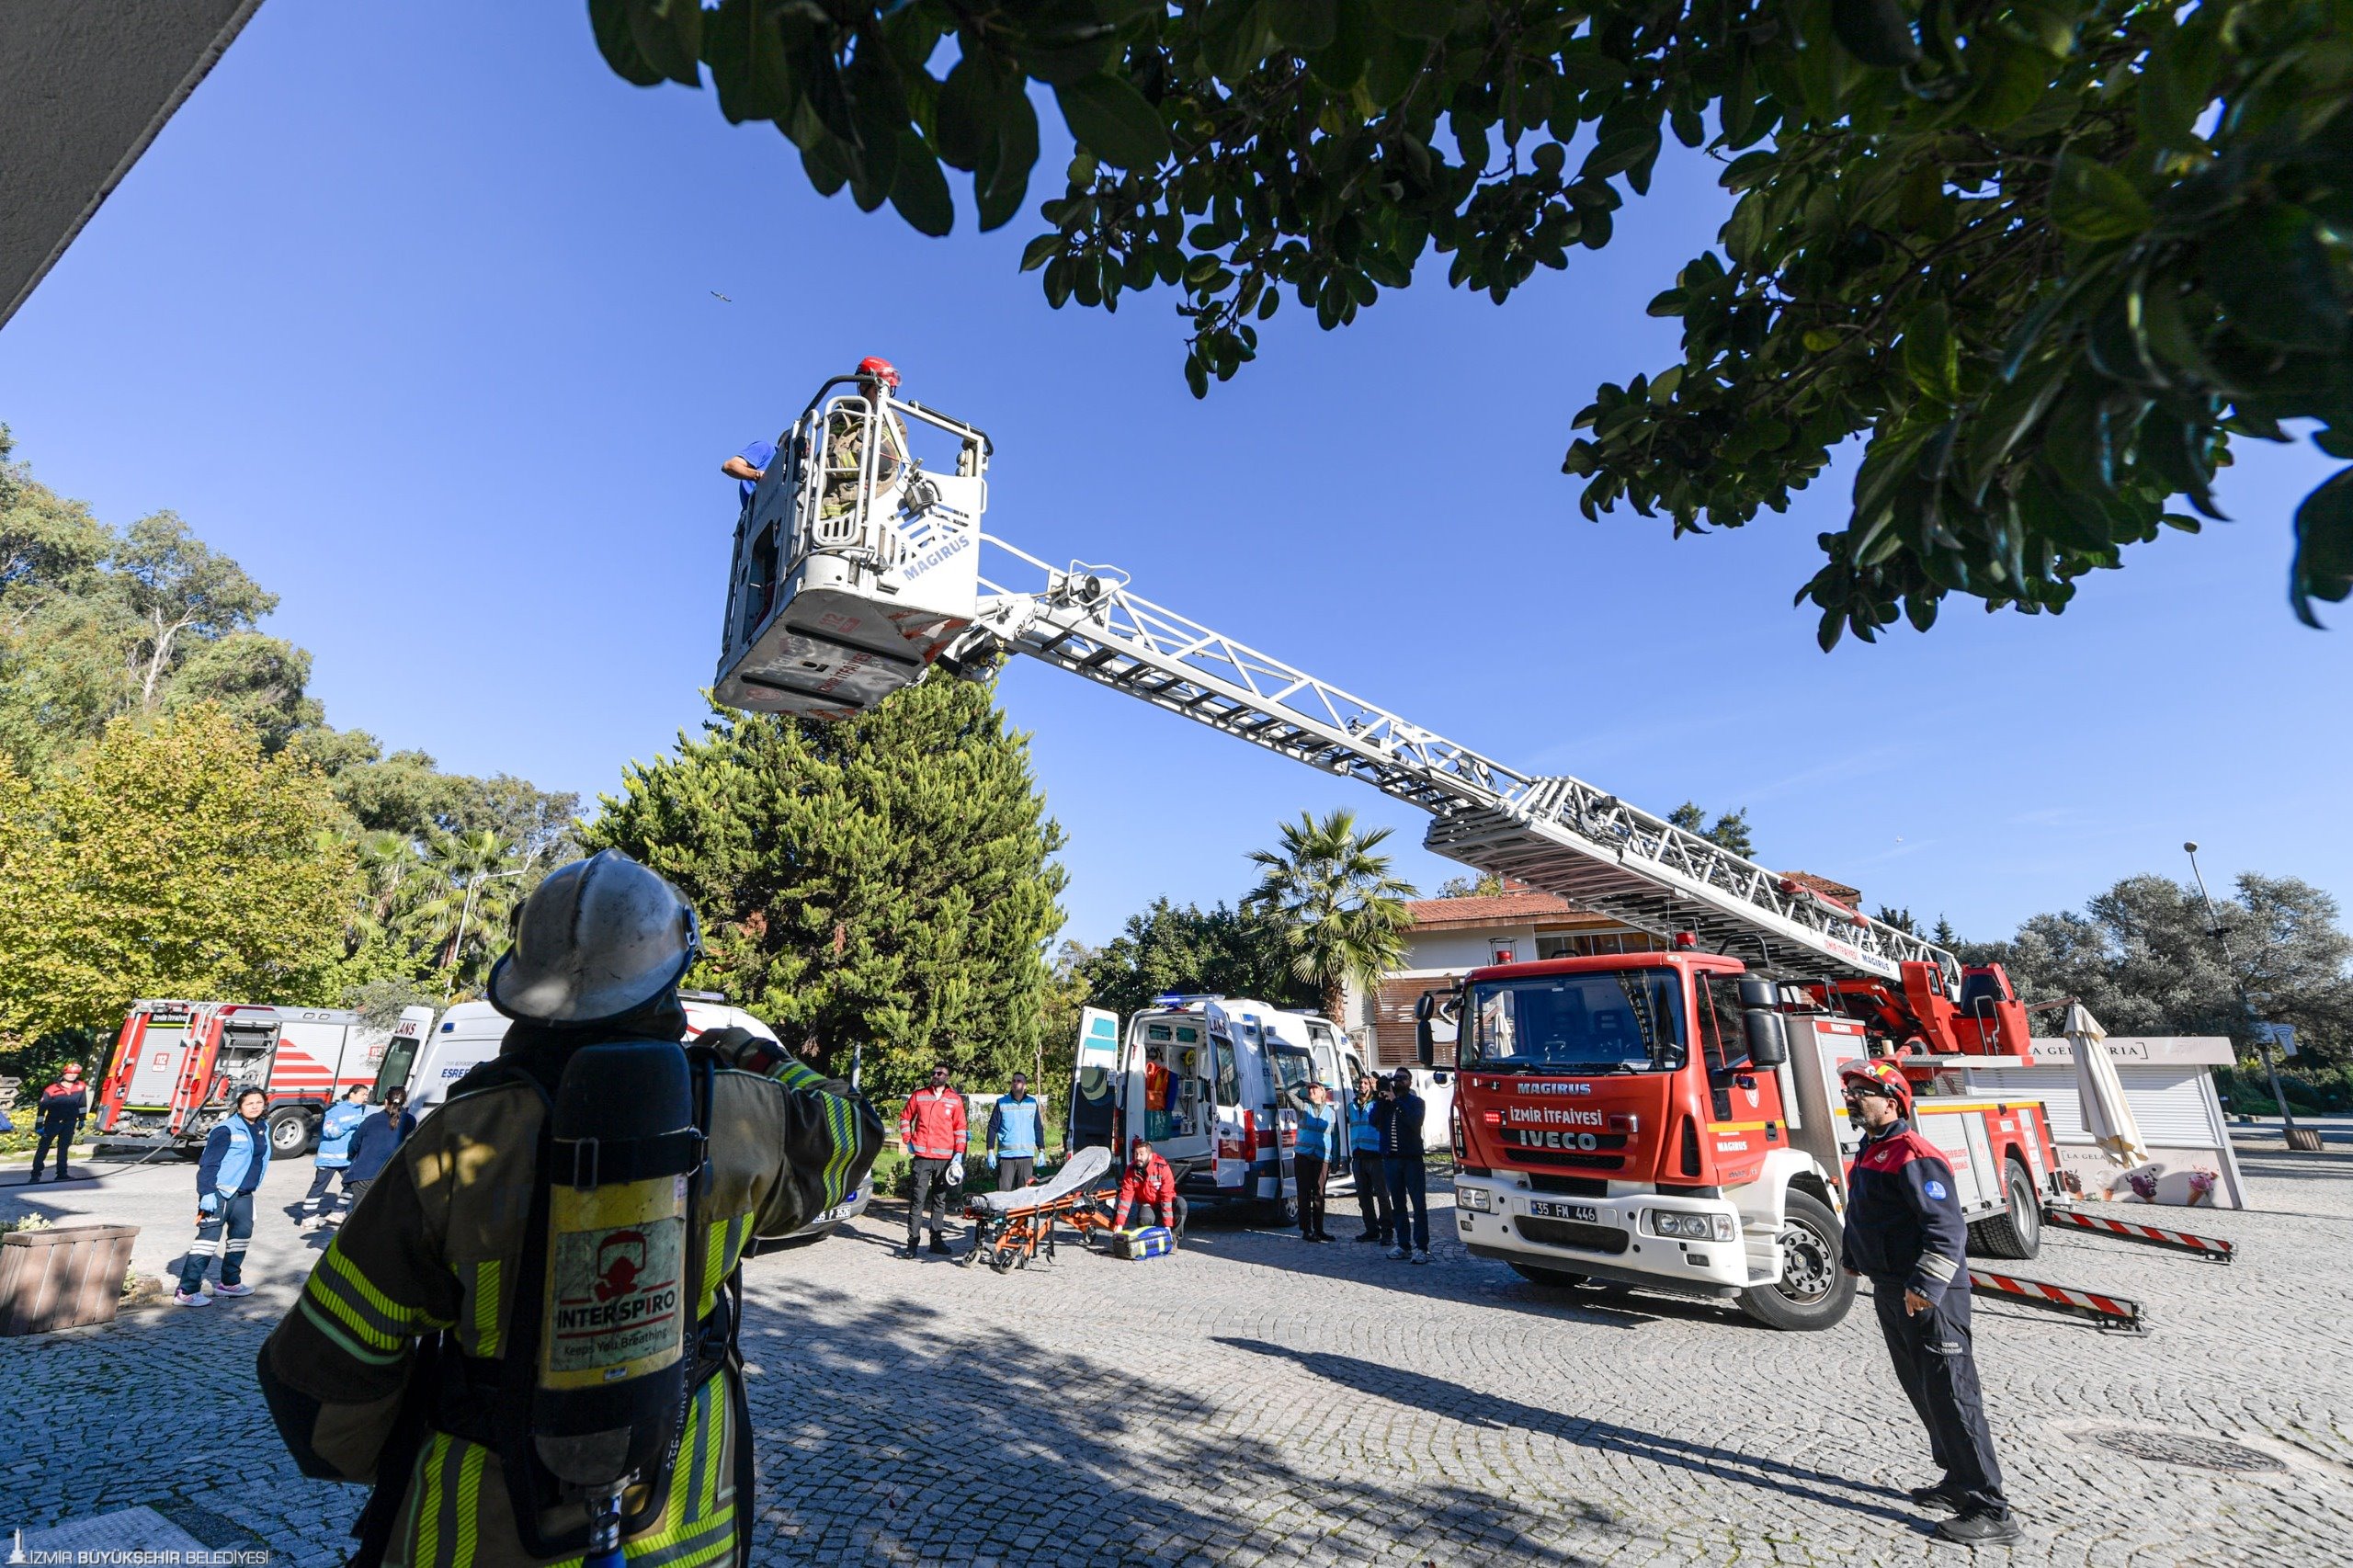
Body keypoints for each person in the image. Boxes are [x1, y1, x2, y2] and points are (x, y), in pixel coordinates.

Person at [256, 850, 882, 1568]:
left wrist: (399, 1445)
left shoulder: (462, 1139)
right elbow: (853, 1132)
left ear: (524, 987)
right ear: (671, 976)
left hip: (478, 1527)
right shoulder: (746, 1114)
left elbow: (324, 1363)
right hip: (683, 1526)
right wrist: (757, 1057)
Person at [1839, 1057, 2019, 1546]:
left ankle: (1991, 1509)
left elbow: (1946, 1229)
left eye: (1862, 1091)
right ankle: (1957, 1480)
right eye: (1850, 1090)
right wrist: (1851, 1253)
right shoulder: (1872, 1150)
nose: (1852, 1097)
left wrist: (1925, 1288)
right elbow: (1865, 1213)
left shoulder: (1912, 1152)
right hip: (1892, 1289)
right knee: (1923, 1388)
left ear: (1894, 1100)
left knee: (1953, 1395)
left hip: (1927, 1297)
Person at [176, 1087, 271, 1305]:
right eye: (249, 1103)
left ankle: (229, 1284)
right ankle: (187, 1291)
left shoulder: (262, 1128)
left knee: (240, 1238)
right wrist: (207, 1192)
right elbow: (209, 1164)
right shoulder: (225, 1129)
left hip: (245, 1193)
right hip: (220, 1192)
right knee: (207, 1242)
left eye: (259, 1102)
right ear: (239, 1106)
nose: (255, 1106)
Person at [899, 1061, 968, 1258]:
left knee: (939, 1200)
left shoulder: (954, 1100)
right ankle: (912, 1243)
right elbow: (905, 1118)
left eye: (940, 1073)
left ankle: (936, 1240)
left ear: (947, 1077)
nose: (936, 1076)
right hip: (922, 1157)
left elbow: (960, 1128)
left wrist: (958, 1153)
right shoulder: (919, 1096)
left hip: (945, 1159)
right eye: (934, 1073)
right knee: (917, 1200)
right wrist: (908, 1140)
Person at [1373, 1068, 1430, 1264]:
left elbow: (1415, 1122)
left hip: (1412, 1160)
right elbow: (1374, 1121)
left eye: (1402, 1078)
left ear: (1410, 1082)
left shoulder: (1416, 1103)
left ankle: (1421, 1247)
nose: (1398, 1081)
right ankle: (1403, 1244)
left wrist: (1396, 1101)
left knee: (1418, 1205)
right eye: (1396, 1078)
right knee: (1398, 1204)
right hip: (1391, 1160)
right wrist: (1381, 1099)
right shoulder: (1386, 1103)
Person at [297, 1085, 370, 1229]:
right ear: (352, 1095)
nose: (366, 1097)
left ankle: (338, 1211)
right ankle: (308, 1217)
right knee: (319, 1187)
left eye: (367, 1094)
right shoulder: (336, 1110)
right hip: (329, 1158)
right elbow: (329, 1131)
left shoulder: (360, 1111)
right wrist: (349, 1124)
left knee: (352, 1184)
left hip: (346, 1158)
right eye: (363, 1094)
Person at [339, 1085, 415, 1213]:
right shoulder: (410, 1121)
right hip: (392, 1176)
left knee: (361, 1216)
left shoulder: (371, 1119)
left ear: (386, 1101)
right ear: (405, 1102)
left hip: (365, 1175)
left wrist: (351, 1157)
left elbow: (354, 1143)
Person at [1290, 1082, 1340, 1243]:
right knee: (1303, 1194)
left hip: (1321, 1157)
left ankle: (1319, 1230)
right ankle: (1306, 1230)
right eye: (1309, 1088)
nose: (1311, 1090)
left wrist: (1335, 1159)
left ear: (1322, 1092)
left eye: (1315, 1088)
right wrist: (1301, 1084)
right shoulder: (1303, 1107)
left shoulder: (1331, 1112)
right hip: (1303, 1156)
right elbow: (1289, 1094)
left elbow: (1336, 1138)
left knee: (1319, 1194)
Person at [1111, 1136, 1185, 1242]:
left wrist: (1167, 1226)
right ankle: (1149, 1241)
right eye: (1136, 1154)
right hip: (1148, 1204)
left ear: (1150, 1156)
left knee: (1181, 1204)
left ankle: (1173, 1238)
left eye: (1142, 1154)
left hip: (1164, 1203)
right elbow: (1125, 1199)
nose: (1138, 1157)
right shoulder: (1131, 1170)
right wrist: (1119, 1224)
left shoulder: (1162, 1167)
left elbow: (1167, 1197)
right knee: (1144, 1220)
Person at [1347, 1071, 1391, 1244]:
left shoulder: (1376, 1104)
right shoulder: (1352, 1106)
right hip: (1358, 1156)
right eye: (1360, 1083)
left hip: (1376, 1155)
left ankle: (1387, 1231)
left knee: (1382, 1195)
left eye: (1366, 1083)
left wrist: (1377, 1089)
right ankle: (1371, 1229)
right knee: (1363, 1197)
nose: (1362, 1086)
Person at [29, 1062, 88, 1183]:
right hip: (53, 1123)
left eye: (75, 1074)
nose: (72, 1076)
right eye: (70, 1073)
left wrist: (82, 1119)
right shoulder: (51, 1089)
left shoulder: (81, 1087)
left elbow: (82, 1104)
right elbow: (42, 1109)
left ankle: (62, 1173)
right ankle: (35, 1175)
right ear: (64, 1073)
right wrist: (39, 1125)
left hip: (70, 1122)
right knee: (43, 1148)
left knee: (63, 1149)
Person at [986, 1073, 1043, 1191]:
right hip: (1007, 1157)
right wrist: (990, 1150)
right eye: (1013, 1081)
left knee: (1024, 1195)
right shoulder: (1002, 1103)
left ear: (1025, 1086)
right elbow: (992, 1127)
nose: (1015, 1083)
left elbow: (1037, 1127)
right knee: (1003, 1194)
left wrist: (1041, 1149)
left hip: (1026, 1156)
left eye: (1019, 1081)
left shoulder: (1032, 1103)